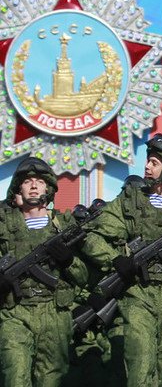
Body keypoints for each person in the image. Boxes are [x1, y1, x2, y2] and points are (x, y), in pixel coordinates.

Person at [79, 133, 162, 386]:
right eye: (148, 161)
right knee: (141, 363)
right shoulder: (130, 202)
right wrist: (115, 259)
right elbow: (91, 235)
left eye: (154, 163)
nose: (147, 167)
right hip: (139, 292)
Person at [0, 157, 88, 386]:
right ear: (18, 188)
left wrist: (69, 261)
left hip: (54, 313)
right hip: (15, 311)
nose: (33, 186)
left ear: (48, 189)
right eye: (27, 181)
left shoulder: (62, 226)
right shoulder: (4, 226)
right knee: (15, 377)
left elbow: (83, 278)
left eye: (39, 182)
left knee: (51, 379)